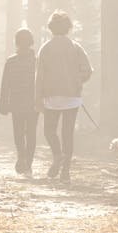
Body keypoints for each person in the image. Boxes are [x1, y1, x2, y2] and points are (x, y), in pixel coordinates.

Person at [35, 10, 93, 183]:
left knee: (49, 131)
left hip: (51, 97)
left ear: (51, 28)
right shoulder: (75, 47)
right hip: (72, 97)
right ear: (68, 28)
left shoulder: (45, 48)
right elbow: (88, 70)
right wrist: (78, 81)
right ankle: (66, 172)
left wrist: (37, 98)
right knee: (68, 133)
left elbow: (39, 76)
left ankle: (57, 155)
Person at [0, 28, 38, 176]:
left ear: (16, 42)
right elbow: (42, 83)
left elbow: (5, 84)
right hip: (33, 103)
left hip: (16, 103)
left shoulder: (11, 61)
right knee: (31, 133)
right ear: (31, 42)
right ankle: (28, 163)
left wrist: (3, 104)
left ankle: (22, 157)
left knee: (18, 132)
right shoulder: (36, 61)